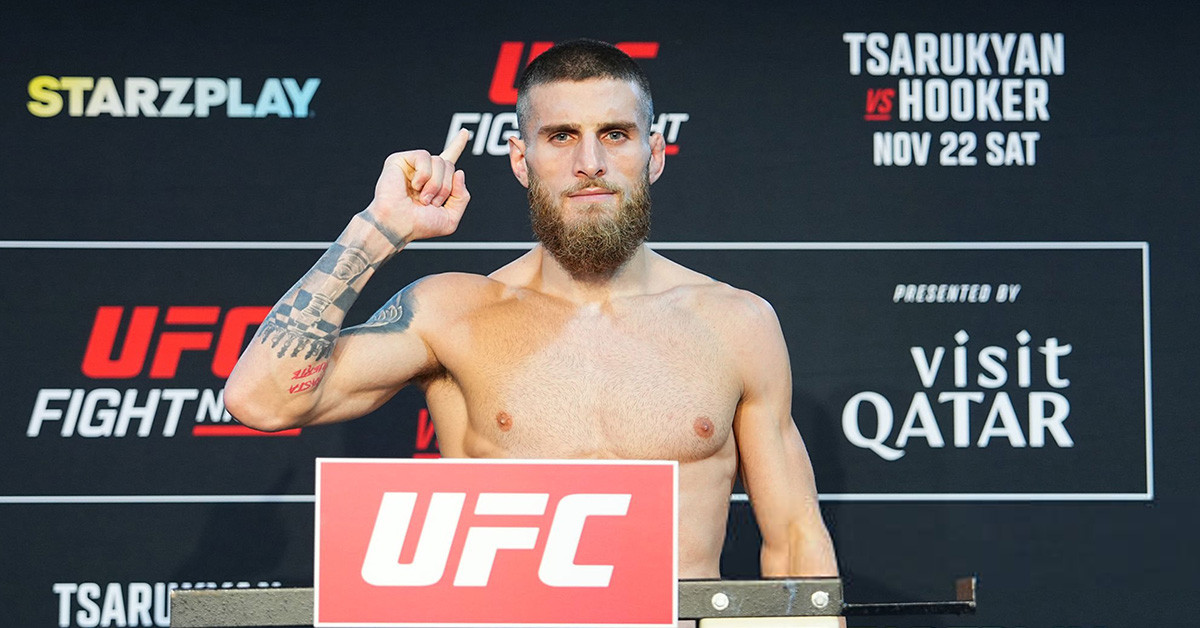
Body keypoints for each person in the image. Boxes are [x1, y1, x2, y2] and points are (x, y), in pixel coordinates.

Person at [225, 39, 839, 584]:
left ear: (654, 153)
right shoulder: (454, 314)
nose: (590, 163)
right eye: (561, 136)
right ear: (521, 160)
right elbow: (261, 401)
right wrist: (379, 228)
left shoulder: (736, 324)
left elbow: (795, 545)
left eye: (615, 134)